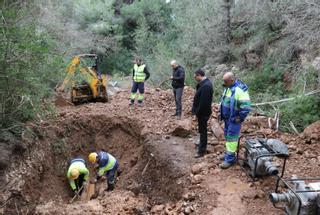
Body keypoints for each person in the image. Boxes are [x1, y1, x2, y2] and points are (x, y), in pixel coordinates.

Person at [219, 72, 251, 169]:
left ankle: (229, 159)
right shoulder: (228, 88)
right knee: (228, 137)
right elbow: (225, 100)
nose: (223, 83)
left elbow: (246, 107)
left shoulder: (240, 90)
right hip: (227, 119)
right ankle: (228, 155)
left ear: (232, 80)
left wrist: (240, 118)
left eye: (225, 81)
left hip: (234, 120)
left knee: (232, 139)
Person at [192, 69, 213, 158]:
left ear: (199, 75)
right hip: (202, 112)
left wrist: (197, 114)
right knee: (201, 130)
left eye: (195, 76)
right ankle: (201, 145)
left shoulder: (206, 86)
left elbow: (203, 103)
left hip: (203, 113)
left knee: (203, 131)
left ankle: (201, 151)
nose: (194, 78)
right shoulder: (203, 84)